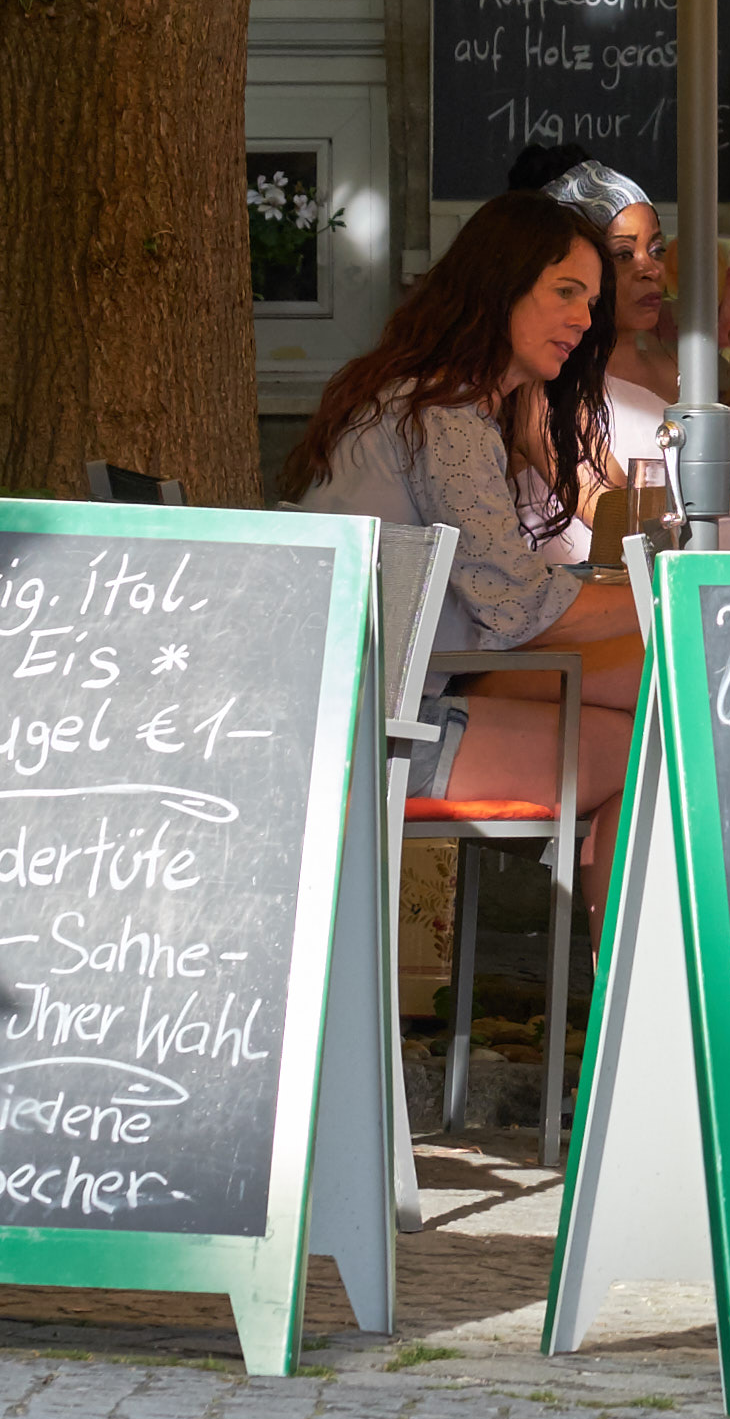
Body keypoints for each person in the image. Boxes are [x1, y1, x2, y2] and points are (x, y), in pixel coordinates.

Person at [293, 192, 642, 879]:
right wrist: (670, 599)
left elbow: (499, 598)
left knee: (655, 697)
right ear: (499, 285)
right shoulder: (443, 414)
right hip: (369, 738)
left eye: (592, 301)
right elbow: (513, 604)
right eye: (565, 292)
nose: (584, 318)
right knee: (655, 748)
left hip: (364, 706)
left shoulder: (424, 396)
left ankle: (623, 972)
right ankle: (628, 980)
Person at [504, 149, 684, 492]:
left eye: (657, 249)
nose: (651, 269)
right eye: (623, 254)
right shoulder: (541, 388)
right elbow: (610, 512)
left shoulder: (688, 363)